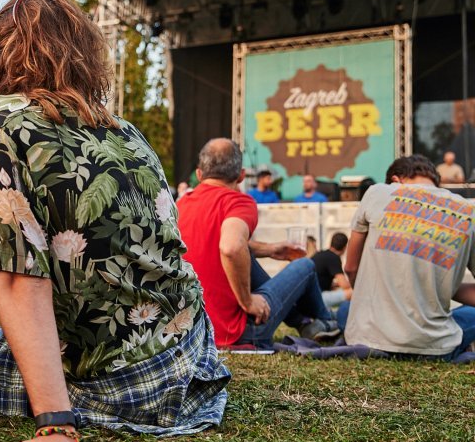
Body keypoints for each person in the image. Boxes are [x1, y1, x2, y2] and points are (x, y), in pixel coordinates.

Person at [0, 0, 230, 442]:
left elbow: (16, 274)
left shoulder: (4, 118)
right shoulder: (126, 130)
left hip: (110, 380)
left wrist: (55, 423)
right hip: (187, 360)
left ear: (7, 51)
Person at [177, 138, 338, 349]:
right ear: (241, 175)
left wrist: (270, 249)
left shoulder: (180, 205)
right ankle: (326, 322)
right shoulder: (237, 201)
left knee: (248, 257)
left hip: (191, 331)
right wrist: (247, 301)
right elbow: (231, 247)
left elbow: (220, 242)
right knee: (306, 266)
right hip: (239, 333)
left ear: (199, 174)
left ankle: (303, 322)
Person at [340, 155, 475, 359]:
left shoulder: (378, 192)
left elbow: (351, 268)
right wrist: (441, 286)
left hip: (367, 339)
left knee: (345, 309)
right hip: (434, 346)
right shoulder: (468, 211)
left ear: (395, 180)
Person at [312, 233, 352, 308]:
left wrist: (335, 284)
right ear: (345, 247)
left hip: (309, 298)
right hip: (319, 298)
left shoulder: (319, 254)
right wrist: (356, 284)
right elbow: (344, 285)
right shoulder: (334, 258)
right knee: (353, 292)